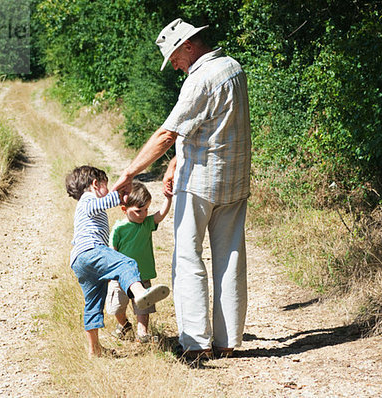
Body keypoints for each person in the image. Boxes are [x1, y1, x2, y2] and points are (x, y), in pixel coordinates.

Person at [112, 18, 251, 360]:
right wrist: (175, 161)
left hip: (201, 183)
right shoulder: (233, 68)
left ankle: (195, 344)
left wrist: (129, 172)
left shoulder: (200, 78)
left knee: (187, 258)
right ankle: (226, 341)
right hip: (234, 180)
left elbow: (166, 133)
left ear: (189, 45)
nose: (173, 64)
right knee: (231, 258)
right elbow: (213, 126)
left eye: (173, 56)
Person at [66, 165, 170, 357]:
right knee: (127, 263)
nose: (108, 189)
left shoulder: (84, 205)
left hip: (80, 260)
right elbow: (100, 203)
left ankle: (94, 349)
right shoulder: (87, 199)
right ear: (96, 184)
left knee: (93, 303)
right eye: (106, 185)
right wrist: (119, 196)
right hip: (91, 250)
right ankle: (140, 293)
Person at [105, 181, 172, 343]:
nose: (143, 214)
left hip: (142, 274)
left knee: (143, 304)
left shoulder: (147, 223)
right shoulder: (119, 228)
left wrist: (168, 198)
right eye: (138, 211)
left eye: (146, 210)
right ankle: (125, 324)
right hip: (120, 277)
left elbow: (160, 215)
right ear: (124, 209)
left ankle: (142, 332)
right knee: (117, 307)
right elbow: (112, 250)